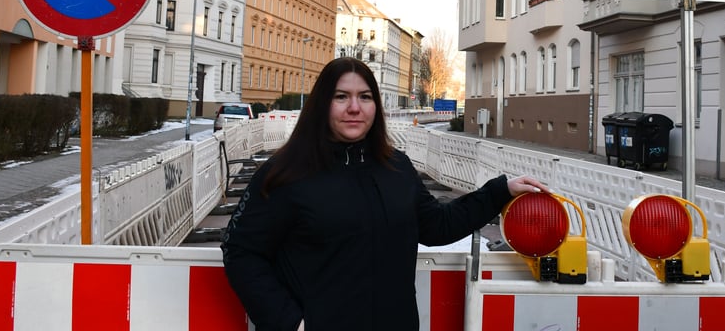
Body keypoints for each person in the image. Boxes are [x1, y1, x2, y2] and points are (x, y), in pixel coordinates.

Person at [221, 57, 547, 330]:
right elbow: (241, 250)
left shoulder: (396, 167)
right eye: (341, 97)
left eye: (365, 97)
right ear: (322, 104)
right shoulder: (286, 173)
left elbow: (436, 225)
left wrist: (499, 191)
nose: (354, 107)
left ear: (376, 105)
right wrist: (289, 322)